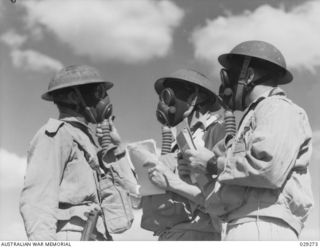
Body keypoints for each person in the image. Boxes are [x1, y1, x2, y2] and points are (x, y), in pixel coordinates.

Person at [183, 40, 314, 240]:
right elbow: (224, 191)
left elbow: (268, 170)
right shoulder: (254, 118)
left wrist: (210, 164)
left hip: (263, 225)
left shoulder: (277, 107)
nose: (226, 84)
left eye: (229, 75)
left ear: (249, 75)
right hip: (243, 225)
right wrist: (197, 170)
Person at [20, 65, 134, 241]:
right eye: (97, 92)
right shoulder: (56, 134)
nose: (103, 99)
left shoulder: (87, 140)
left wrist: (115, 148)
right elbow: (38, 201)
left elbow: (130, 193)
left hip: (96, 233)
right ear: (74, 97)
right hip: (72, 233)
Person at [142, 69, 225, 240]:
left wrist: (172, 183)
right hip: (170, 233)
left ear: (197, 98)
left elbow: (221, 196)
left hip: (201, 233)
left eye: (169, 95)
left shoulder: (217, 131)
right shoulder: (179, 141)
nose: (164, 103)